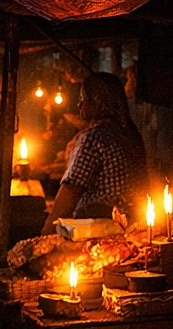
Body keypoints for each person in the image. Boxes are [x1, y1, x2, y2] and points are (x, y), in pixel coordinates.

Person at [41, 72, 148, 233]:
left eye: (84, 99)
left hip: (97, 229)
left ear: (99, 103)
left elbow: (71, 190)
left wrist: (47, 229)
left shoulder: (93, 138)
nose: (79, 105)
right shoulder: (129, 133)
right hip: (133, 226)